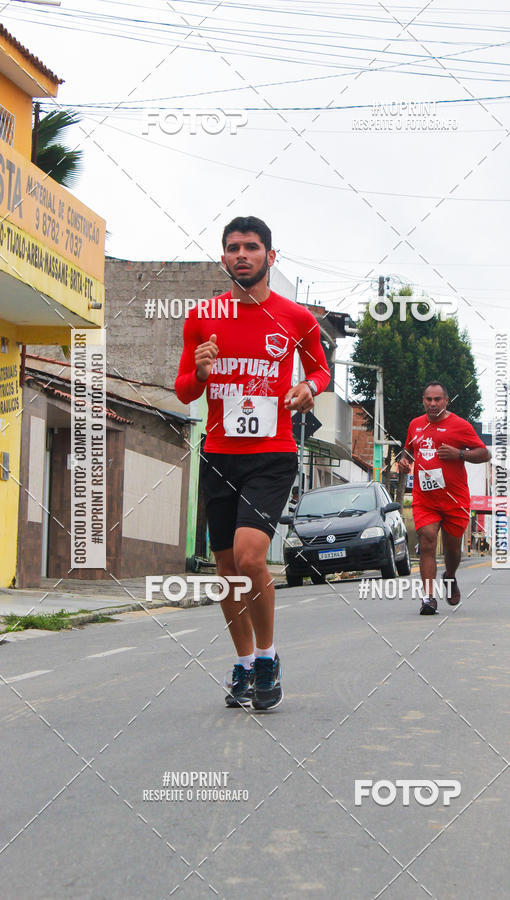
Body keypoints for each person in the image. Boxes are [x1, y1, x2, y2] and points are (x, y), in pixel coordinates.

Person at [175, 216, 330, 709]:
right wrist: (199, 372)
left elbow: (320, 368)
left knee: (249, 557)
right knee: (225, 569)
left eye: (252, 247)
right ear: (223, 258)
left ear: (270, 256)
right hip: (219, 453)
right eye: (233, 247)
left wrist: (309, 387)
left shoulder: (296, 317)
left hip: (272, 454)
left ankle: (267, 656)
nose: (242, 254)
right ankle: (243, 663)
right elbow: (184, 390)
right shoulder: (202, 317)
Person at [398, 382, 491, 615]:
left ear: (446, 401)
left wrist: (460, 454)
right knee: (427, 540)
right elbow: (409, 450)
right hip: (425, 498)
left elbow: (484, 453)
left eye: (437, 399)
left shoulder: (460, 426)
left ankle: (450, 576)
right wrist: (404, 460)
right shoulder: (415, 425)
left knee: (452, 549)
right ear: (423, 401)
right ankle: (428, 599)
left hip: (455, 499)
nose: (432, 403)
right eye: (428, 399)